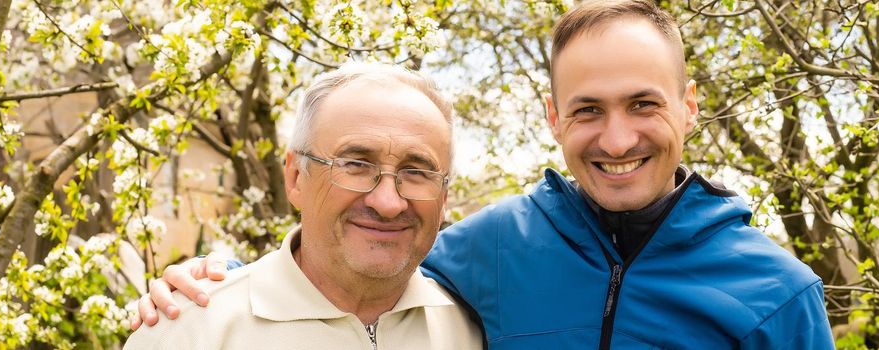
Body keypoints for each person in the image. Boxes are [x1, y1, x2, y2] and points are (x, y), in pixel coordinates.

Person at [132, 1, 835, 348]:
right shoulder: (494, 248)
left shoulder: (776, 293)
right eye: (588, 109)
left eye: (644, 104)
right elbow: (359, 251)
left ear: (688, 108)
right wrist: (216, 280)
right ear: (555, 119)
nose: (617, 137)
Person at [123, 62, 482, 349]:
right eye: (355, 164)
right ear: (296, 177)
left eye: (416, 172)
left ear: (444, 196)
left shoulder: (470, 331)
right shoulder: (189, 332)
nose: (388, 202)